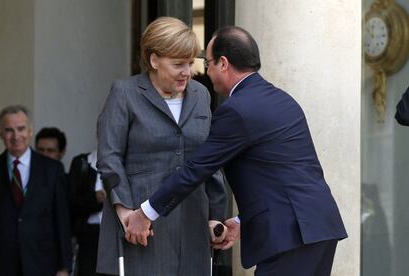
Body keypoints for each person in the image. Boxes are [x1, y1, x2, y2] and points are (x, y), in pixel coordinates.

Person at [124, 26, 348, 276]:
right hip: (319, 228)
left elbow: (196, 169)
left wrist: (145, 213)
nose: (205, 72)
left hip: (290, 236)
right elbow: (282, 174)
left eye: (207, 63)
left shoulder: (236, 110)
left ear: (223, 63)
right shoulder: (283, 100)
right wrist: (243, 222)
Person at [96, 17, 228, 276]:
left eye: (190, 63)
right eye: (178, 64)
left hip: (193, 223)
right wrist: (126, 215)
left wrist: (215, 215)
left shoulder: (201, 95)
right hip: (140, 228)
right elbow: (109, 158)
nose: (187, 72)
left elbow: (210, 160)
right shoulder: (125, 93)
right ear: (154, 60)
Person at [0, 105, 72, 275]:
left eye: (21, 129)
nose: (16, 136)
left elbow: (61, 220)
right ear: (0, 133)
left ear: (30, 131)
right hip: (1, 264)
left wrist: (64, 267)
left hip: (42, 263)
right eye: (9, 130)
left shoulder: (53, 169)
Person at [68, 149, 106, 276]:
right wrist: (95, 198)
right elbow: (71, 203)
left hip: (117, 233)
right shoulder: (82, 162)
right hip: (88, 233)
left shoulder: (128, 161)